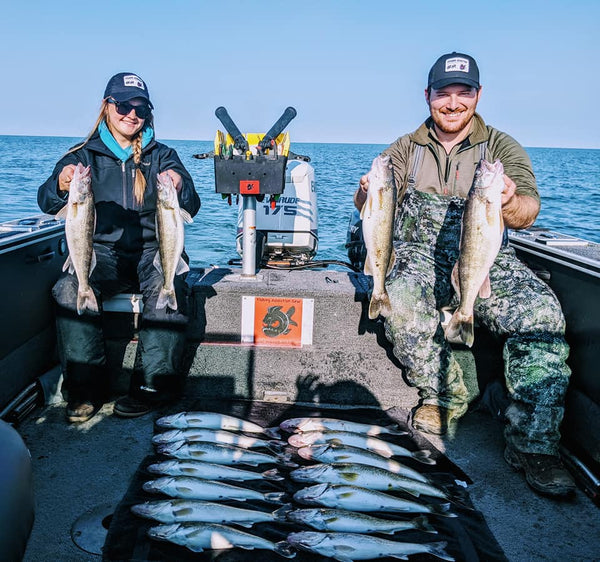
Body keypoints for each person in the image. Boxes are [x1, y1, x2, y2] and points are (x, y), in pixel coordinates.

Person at [354, 52, 575, 497]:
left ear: (478, 95)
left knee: (541, 314)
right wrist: (364, 195)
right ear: (428, 96)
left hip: (485, 256)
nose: (453, 102)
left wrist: (508, 201)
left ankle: (534, 445)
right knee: (396, 297)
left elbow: (528, 211)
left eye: (464, 93)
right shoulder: (404, 149)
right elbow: (372, 214)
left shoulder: (502, 147)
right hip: (418, 254)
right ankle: (444, 395)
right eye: (444, 93)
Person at [38, 72, 200, 423]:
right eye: (123, 105)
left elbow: (192, 205)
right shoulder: (83, 157)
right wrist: (62, 184)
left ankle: (151, 388)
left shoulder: (162, 156)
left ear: (148, 113)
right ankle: (84, 392)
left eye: (140, 108)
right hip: (102, 255)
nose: (131, 114)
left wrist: (179, 184)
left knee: (170, 291)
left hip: (152, 252)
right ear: (107, 106)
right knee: (69, 290)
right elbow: (47, 203)